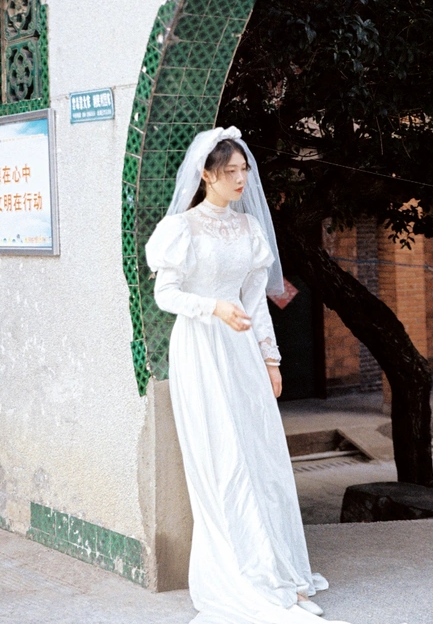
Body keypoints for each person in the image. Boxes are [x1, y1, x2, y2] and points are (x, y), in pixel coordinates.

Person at [145, 127, 351, 624]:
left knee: (261, 456)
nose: (241, 179)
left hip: (241, 350)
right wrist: (213, 307)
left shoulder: (249, 229)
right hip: (201, 347)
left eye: (244, 170)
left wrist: (271, 359)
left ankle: (277, 570)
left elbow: (256, 301)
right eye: (230, 171)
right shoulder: (181, 229)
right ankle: (243, 575)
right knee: (224, 459)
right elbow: (165, 294)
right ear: (206, 175)